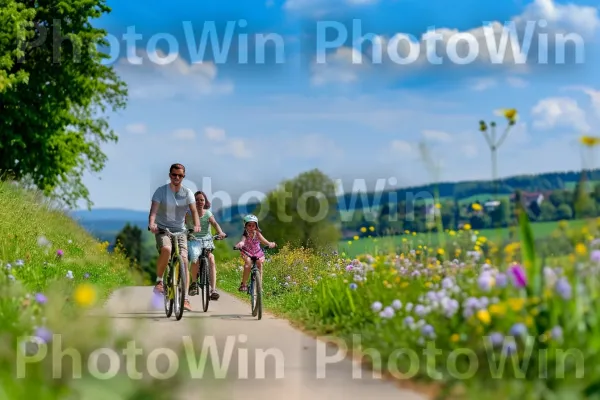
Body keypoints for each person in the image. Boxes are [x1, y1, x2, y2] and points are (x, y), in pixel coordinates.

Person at [148, 163, 200, 312]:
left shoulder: (187, 193)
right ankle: (159, 282)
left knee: (184, 259)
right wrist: (152, 223)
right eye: (174, 175)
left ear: (183, 177)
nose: (176, 177)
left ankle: (185, 299)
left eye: (180, 175)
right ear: (169, 175)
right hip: (163, 229)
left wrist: (196, 224)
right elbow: (153, 211)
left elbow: (194, 211)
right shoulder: (161, 192)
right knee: (166, 249)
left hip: (180, 231)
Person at [185, 190, 226, 300]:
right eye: (197, 200)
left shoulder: (207, 213)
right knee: (195, 259)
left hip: (207, 240)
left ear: (205, 202)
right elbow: (181, 224)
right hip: (193, 240)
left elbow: (215, 224)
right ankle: (194, 283)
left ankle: (213, 289)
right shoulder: (188, 214)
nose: (199, 202)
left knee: (211, 259)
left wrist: (220, 232)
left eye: (202, 200)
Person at [234, 214, 276, 292]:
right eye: (249, 225)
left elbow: (265, 241)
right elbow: (242, 242)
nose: (251, 227)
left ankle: (259, 285)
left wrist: (270, 244)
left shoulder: (258, 234)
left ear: (256, 226)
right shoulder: (245, 235)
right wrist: (240, 244)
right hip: (247, 252)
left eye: (253, 225)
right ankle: (244, 284)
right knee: (248, 264)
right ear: (245, 226)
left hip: (257, 252)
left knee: (259, 263)